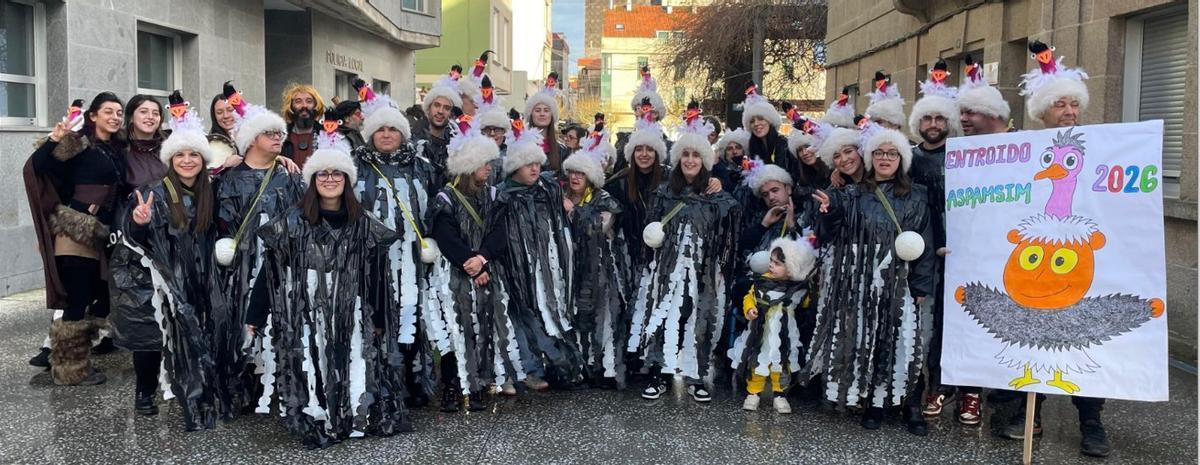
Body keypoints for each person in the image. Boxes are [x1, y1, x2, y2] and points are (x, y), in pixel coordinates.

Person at [246, 135, 411, 448]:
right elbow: (271, 272)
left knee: (348, 356)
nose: (330, 179)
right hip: (306, 306)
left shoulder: (363, 222)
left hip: (353, 305)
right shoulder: (292, 221)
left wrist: (377, 318)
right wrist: (255, 315)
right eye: (323, 173)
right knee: (313, 357)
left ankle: (348, 414)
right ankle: (318, 413)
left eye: (338, 174)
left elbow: (375, 274)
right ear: (313, 180)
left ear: (347, 180)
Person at [994, 40, 1110, 458]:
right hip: (1033, 261)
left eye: (1073, 104)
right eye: (1060, 104)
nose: (1069, 112)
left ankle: (1091, 420)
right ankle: (1031, 413)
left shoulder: (1100, 148)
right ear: (1043, 111)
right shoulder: (1018, 152)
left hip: (1081, 261)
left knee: (1086, 340)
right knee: (1033, 335)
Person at [806, 124, 934, 436]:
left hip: (900, 279)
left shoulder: (917, 195)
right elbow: (828, 230)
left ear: (901, 158)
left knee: (905, 339)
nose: (885, 158)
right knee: (872, 337)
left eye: (892, 153)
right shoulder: (851, 194)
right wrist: (827, 211)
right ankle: (875, 403)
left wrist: (920, 284)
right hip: (861, 279)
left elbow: (926, 241)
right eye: (879, 153)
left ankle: (912, 405)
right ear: (871, 157)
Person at [110, 92, 223, 429]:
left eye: (194, 155)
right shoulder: (154, 192)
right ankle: (145, 391)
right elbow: (134, 238)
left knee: (194, 329)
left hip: (201, 273)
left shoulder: (211, 192)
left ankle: (197, 384)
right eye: (180, 155)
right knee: (153, 334)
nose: (187, 161)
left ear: (203, 160)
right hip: (162, 274)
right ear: (170, 160)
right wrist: (139, 223)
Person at [920, 54, 1009, 427]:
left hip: (993, 252)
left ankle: (972, 391)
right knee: (944, 321)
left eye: (947, 117)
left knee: (983, 318)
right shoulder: (922, 157)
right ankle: (940, 384)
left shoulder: (1003, 150)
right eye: (964, 112)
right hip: (943, 253)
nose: (965, 119)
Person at [628, 109, 740, 403]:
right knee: (664, 317)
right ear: (678, 159)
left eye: (696, 155)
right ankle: (659, 374)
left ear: (705, 160)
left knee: (699, 319)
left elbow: (729, 230)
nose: (690, 159)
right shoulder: (665, 193)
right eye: (685, 154)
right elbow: (649, 231)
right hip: (666, 270)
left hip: (702, 272)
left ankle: (696, 375)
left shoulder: (718, 197)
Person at [24, 92, 128, 387]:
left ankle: (63, 358)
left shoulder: (115, 148)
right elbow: (40, 166)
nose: (115, 117)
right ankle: (70, 370)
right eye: (108, 111)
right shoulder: (78, 145)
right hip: (74, 231)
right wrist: (56, 138)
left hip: (99, 235)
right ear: (93, 116)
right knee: (77, 300)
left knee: (100, 297)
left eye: (119, 112)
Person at [349, 88, 439, 409]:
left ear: (402, 134)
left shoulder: (422, 167)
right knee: (379, 317)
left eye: (393, 130)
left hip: (414, 257)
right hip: (373, 260)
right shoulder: (355, 169)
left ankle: (414, 379)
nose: (386, 135)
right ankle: (386, 382)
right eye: (380, 130)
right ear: (370, 134)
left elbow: (434, 209)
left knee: (412, 313)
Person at [214, 98, 304, 415]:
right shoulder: (228, 178)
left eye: (279, 133)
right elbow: (221, 221)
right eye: (269, 133)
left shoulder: (292, 177)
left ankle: (281, 386)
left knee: (282, 320)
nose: (277, 138)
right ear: (253, 139)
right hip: (241, 267)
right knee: (243, 323)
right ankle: (244, 387)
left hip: (281, 265)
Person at [426, 127, 524, 409]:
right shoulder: (445, 199)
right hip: (454, 276)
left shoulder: (495, 197)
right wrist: (470, 263)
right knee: (455, 327)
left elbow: (500, 233)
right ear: (469, 166)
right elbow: (446, 236)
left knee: (485, 327)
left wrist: (482, 259)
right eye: (484, 164)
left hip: (486, 272)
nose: (489, 169)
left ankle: (480, 383)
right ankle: (451, 386)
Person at [495, 119, 582, 390]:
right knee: (522, 313)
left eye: (537, 162)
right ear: (513, 167)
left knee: (550, 311)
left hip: (550, 263)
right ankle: (527, 368)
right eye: (527, 163)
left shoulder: (548, 188)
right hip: (517, 266)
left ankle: (555, 366)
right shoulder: (503, 196)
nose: (534, 168)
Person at [905, 58, 964, 429]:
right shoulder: (908, 158)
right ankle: (914, 388)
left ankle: (945, 386)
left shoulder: (966, 157)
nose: (933, 125)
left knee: (952, 323)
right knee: (921, 325)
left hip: (961, 253)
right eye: (927, 119)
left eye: (940, 119)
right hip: (921, 254)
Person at [561, 120, 628, 389]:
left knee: (605, 319)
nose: (576, 177)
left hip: (601, 272)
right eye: (572, 172)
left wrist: (572, 212)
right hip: (572, 270)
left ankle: (606, 369)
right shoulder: (561, 197)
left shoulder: (604, 199)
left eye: (581, 173)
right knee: (577, 317)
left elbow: (598, 227)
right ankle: (580, 367)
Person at [730, 238, 817, 414]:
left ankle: (780, 394)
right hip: (761, 331)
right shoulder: (760, 282)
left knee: (781, 362)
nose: (771, 265)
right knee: (757, 361)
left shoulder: (798, 288)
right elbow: (749, 297)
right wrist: (750, 309)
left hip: (784, 333)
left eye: (777, 264)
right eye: (771, 261)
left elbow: (806, 303)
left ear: (791, 268)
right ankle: (753, 392)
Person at [413, 67, 463, 184]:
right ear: (428, 108)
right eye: (436, 105)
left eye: (446, 108)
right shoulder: (413, 142)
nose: (440, 111)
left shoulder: (456, 147)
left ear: (451, 114)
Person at [741, 82, 795, 174]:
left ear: (770, 120)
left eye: (761, 119)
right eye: (752, 121)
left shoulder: (784, 144)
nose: (756, 124)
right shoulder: (750, 149)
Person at [524, 72, 568, 173]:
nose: (542, 114)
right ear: (531, 115)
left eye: (546, 110)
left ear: (552, 116)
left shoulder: (562, 151)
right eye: (538, 110)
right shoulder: (521, 145)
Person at [279, 83, 326, 166]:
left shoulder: (327, 134)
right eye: (298, 101)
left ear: (315, 105)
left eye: (309, 101)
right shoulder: (280, 136)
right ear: (291, 107)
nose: (304, 106)